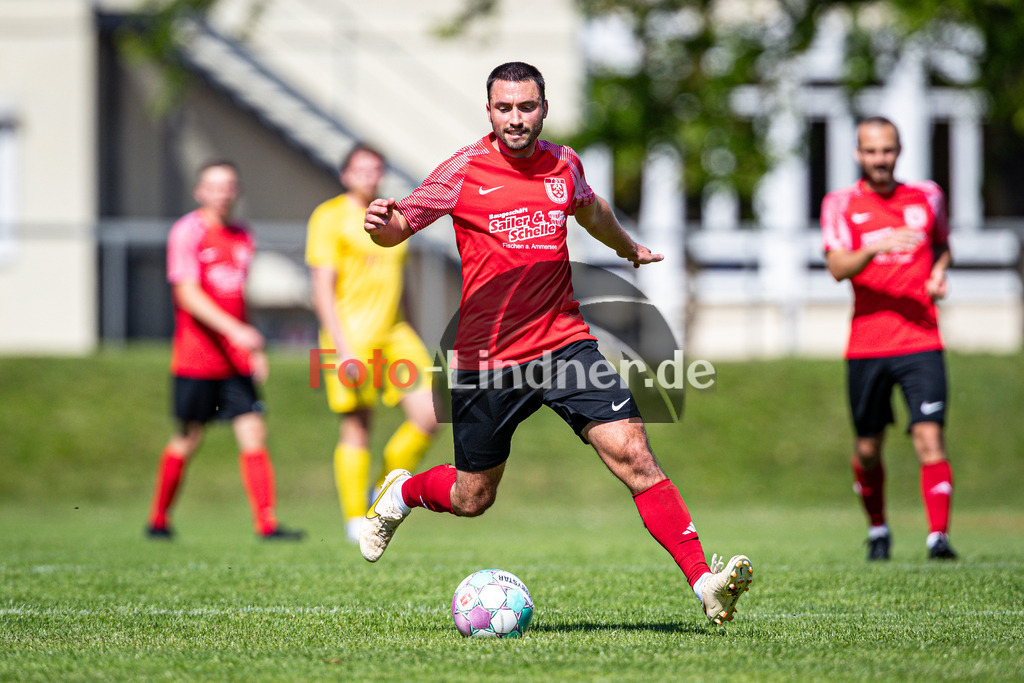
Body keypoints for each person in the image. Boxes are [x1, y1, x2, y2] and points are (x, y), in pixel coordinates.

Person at [360, 62, 753, 626]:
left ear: (543, 108)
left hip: (565, 346)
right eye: (504, 108)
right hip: (486, 359)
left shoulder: (564, 163)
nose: (515, 118)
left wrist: (627, 248)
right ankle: (403, 494)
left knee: (634, 453)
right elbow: (403, 222)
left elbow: (590, 209)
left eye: (526, 107)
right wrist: (382, 225)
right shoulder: (465, 168)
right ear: (489, 111)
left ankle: (705, 583)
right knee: (473, 497)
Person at [821, 116, 956, 561]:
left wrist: (938, 273)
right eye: (871, 151)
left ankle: (938, 538)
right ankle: (878, 529)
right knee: (867, 448)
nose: (881, 159)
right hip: (867, 345)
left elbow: (941, 245)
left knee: (929, 437)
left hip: (922, 339)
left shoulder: (928, 195)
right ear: (859, 154)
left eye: (888, 150)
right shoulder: (841, 204)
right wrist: (878, 245)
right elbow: (838, 267)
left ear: (899, 152)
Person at [146, 159, 304, 541]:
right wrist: (237, 331)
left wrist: (252, 347)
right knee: (188, 437)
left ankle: (266, 525)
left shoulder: (242, 237)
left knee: (253, 431)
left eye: (229, 185)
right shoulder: (187, 233)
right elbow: (187, 294)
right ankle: (158, 520)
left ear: (237, 191)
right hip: (195, 358)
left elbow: (238, 300)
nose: (223, 193)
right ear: (200, 191)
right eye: (214, 186)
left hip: (234, 360)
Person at [306, 144, 440, 543]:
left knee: (431, 415)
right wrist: (341, 348)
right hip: (352, 338)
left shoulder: (391, 217)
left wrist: (413, 327)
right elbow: (322, 290)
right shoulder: (329, 217)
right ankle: (353, 517)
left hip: (395, 335)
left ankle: (383, 492)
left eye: (376, 168)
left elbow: (400, 284)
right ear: (345, 174)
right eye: (361, 168)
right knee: (357, 428)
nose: (369, 175)